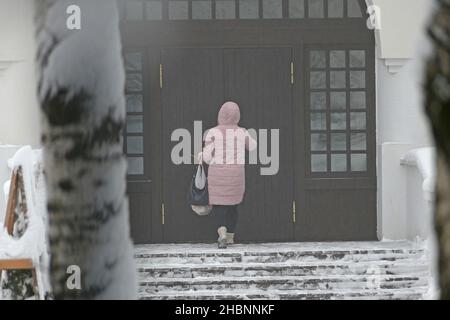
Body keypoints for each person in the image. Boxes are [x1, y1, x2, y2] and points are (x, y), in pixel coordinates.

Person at [198, 101, 257, 249]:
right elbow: (253, 146)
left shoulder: (212, 132)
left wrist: (201, 154)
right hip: (236, 174)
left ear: (220, 114)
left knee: (219, 206)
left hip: (217, 174)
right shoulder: (242, 132)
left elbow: (206, 157)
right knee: (233, 206)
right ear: (237, 116)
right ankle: (230, 237)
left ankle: (222, 233)